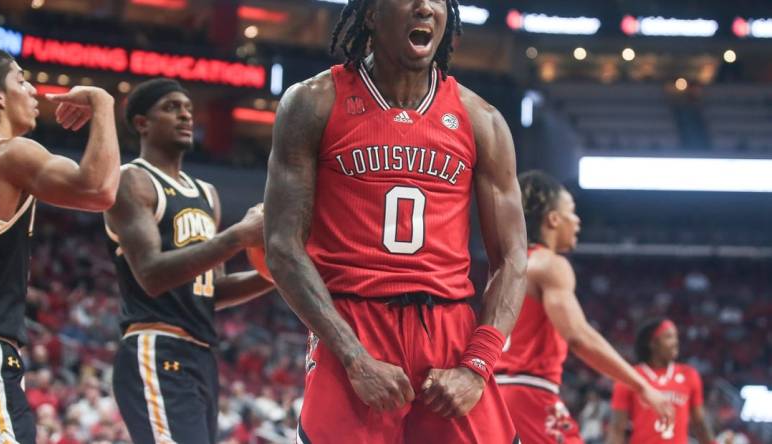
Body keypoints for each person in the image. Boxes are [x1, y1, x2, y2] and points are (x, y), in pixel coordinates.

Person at [264, 1, 528, 442]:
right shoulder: (311, 103)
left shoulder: (482, 119)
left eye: (438, 0)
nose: (425, 7)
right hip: (353, 319)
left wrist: (476, 366)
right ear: (370, 14)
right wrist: (351, 355)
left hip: (449, 330)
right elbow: (282, 246)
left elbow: (514, 257)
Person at [103, 78, 274, 444]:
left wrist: (276, 272)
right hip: (156, 343)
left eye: (188, 109)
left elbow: (214, 289)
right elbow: (150, 274)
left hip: (201, 355)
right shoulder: (132, 181)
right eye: (171, 107)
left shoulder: (206, 194)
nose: (185, 115)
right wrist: (238, 236)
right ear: (141, 123)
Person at [0, 45, 120, 444]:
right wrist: (103, 102)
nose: (33, 92)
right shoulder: (9, 155)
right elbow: (98, 190)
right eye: (21, 81)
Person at [494, 170, 671, 444]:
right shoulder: (551, 265)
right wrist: (641, 385)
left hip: (492, 397)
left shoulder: (502, 268)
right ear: (553, 219)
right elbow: (577, 336)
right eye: (572, 212)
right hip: (529, 393)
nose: (577, 221)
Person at [608, 318, 716, 444]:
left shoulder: (689, 374)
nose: (675, 342)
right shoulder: (630, 376)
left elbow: (699, 423)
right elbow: (617, 428)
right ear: (653, 343)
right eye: (669, 337)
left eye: (676, 337)